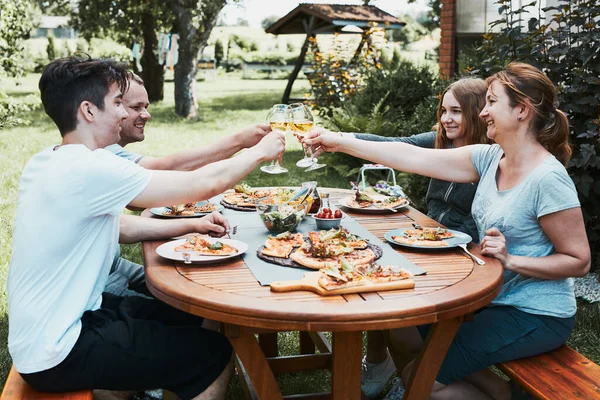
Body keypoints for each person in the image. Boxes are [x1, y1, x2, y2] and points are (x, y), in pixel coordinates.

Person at [304, 62, 590, 400]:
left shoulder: (547, 178)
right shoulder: (489, 158)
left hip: (535, 313)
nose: (483, 112)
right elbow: (411, 156)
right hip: (492, 299)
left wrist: (511, 261)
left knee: (419, 380)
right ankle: (500, 391)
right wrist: (341, 142)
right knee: (404, 328)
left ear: (522, 111)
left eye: (492, 102)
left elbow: (578, 260)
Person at [7, 55, 284, 399]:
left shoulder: (49, 159)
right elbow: (202, 184)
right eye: (118, 103)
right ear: (89, 111)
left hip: (63, 323)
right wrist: (259, 152)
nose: (125, 113)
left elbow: (115, 225)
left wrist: (192, 225)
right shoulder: (89, 168)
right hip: (61, 348)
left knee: (190, 316)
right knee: (212, 355)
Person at [347, 77, 491, 398]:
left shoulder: (491, 158)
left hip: (465, 258)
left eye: (456, 111)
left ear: (477, 112)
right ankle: (389, 365)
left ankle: (410, 374)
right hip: (428, 244)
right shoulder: (440, 141)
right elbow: (396, 144)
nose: (446, 119)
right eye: (443, 110)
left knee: (391, 305)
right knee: (375, 275)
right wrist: (340, 138)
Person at [104, 73, 273, 298]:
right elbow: (167, 172)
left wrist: (194, 225)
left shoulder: (100, 152)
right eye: (134, 106)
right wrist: (252, 149)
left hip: (112, 266)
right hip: (98, 287)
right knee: (205, 300)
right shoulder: (96, 156)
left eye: (146, 106)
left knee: (205, 285)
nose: (147, 115)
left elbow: (122, 223)